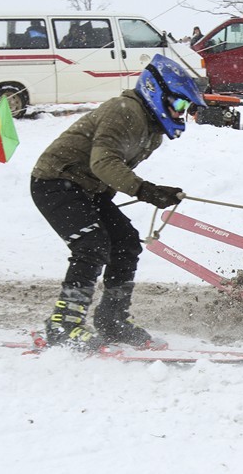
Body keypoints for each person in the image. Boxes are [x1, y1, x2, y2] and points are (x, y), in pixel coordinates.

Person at [30, 54, 207, 351]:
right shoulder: (124, 111)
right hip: (55, 183)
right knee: (91, 245)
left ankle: (111, 320)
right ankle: (63, 324)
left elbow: (107, 170)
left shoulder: (152, 130)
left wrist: (151, 191)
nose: (181, 114)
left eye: (186, 109)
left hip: (87, 189)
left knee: (125, 243)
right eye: (178, 105)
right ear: (155, 92)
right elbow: (103, 163)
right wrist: (145, 190)